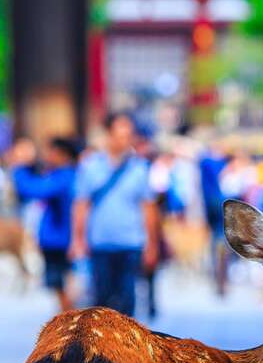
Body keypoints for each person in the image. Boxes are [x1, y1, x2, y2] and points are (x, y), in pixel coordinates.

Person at [71, 112, 159, 317]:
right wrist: (77, 239)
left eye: (128, 135)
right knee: (100, 303)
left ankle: (125, 347)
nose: (125, 140)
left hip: (130, 242)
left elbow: (148, 208)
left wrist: (152, 244)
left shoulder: (139, 168)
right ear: (108, 135)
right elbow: (81, 205)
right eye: (120, 134)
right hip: (100, 242)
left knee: (128, 301)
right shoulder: (91, 167)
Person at [12, 137, 80, 311]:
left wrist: (20, 167)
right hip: (60, 239)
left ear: (62, 155)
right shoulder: (67, 175)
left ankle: (71, 322)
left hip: (61, 240)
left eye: (51, 152)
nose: (48, 156)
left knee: (62, 283)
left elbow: (33, 189)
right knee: (60, 284)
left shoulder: (64, 176)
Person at [199, 136, 230, 295]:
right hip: (222, 205)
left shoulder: (204, 162)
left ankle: (218, 275)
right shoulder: (223, 163)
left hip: (211, 204)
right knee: (223, 240)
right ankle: (222, 277)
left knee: (216, 240)